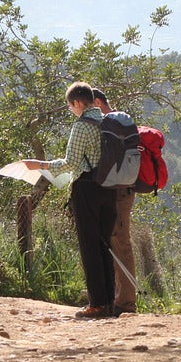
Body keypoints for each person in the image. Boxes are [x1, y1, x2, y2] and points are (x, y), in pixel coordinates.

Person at [22, 82, 117, 319]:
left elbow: (72, 163)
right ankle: (109, 302)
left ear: (76, 102)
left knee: (89, 245)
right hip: (111, 188)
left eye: (70, 106)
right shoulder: (109, 121)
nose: (71, 110)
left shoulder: (82, 125)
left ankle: (96, 304)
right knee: (106, 244)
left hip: (87, 188)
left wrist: (41, 165)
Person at [92, 87, 138, 315]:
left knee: (120, 243)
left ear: (98, 102)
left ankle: (127, 302)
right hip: (124, 191)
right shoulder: (119, 124)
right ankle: (117, 298)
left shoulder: (112, 125)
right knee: (115, 243)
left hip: (119, 193)